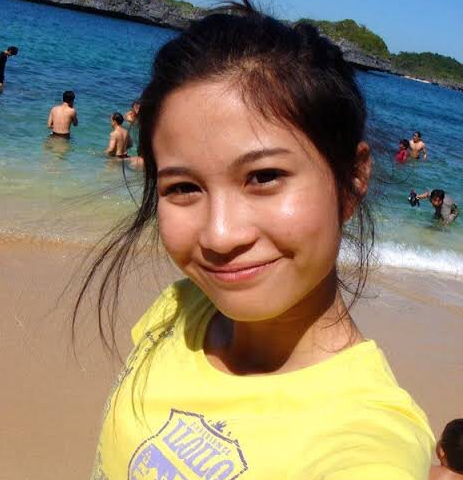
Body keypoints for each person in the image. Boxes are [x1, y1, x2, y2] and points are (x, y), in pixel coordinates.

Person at [75, 3, 435, 479]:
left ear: (352, 179)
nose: (220, 236)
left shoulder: (366, 443)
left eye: (264, 176)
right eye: (183, 187)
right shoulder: (180, 309)